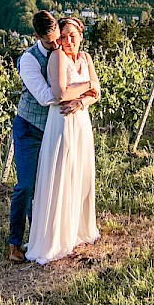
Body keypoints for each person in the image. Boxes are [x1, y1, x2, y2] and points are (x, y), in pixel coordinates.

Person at [26, 16, 101, 264]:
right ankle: (58, 236)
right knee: (60, 175)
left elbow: (96, 93)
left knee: (79, 174)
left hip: (81, 120)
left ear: (81, 35)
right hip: (61, 122)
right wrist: (87, 85)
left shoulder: (86, 58)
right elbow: (59, 94)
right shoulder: (57, 57)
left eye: (73, 35)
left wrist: (82, 99)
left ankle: (76, 230)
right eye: (64, 36)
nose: (68, 41)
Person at [7, 10, 70, 262]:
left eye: (57, 39)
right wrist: (74, 91)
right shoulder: (29, 60)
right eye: (50, 42)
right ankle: (14, 242)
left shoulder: (65, 52)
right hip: (29, 128)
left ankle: (41, 238)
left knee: (49, 186)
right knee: (26, 185)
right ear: (36, 36)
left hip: (54, 130)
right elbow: (45, 97)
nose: (56, 45)